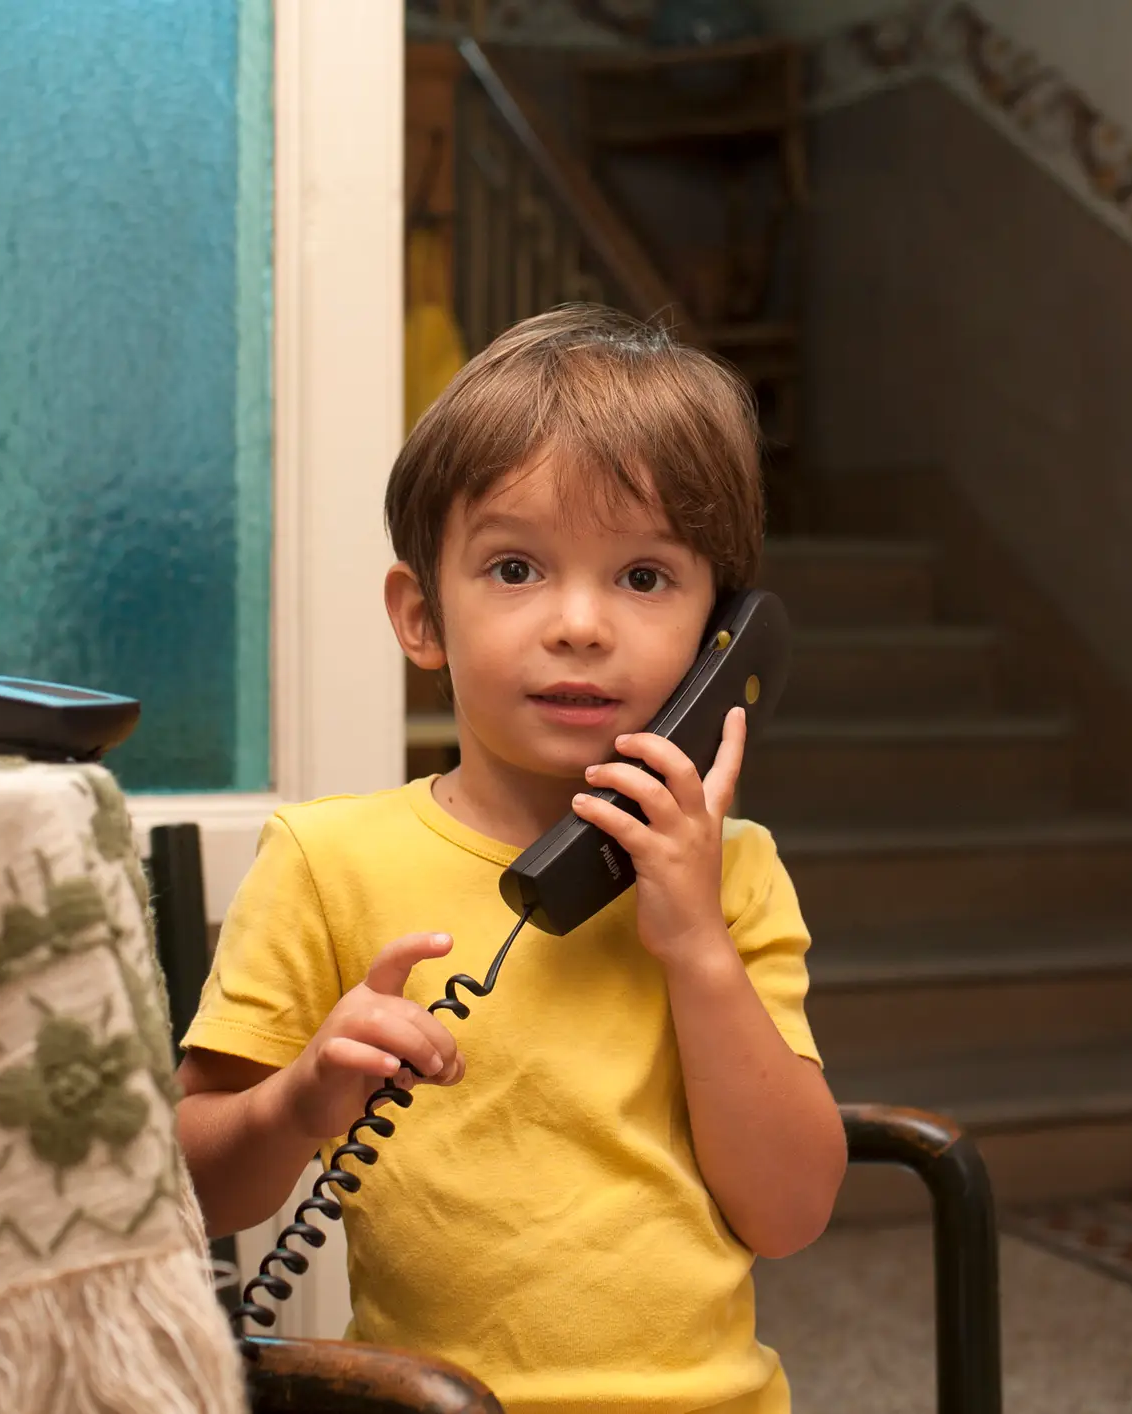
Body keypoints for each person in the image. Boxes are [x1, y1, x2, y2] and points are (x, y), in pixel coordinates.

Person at [173, 304, 846, 1414]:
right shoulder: (327, 858)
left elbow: (790, 1211)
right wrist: (297, 1105)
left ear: (719, 643)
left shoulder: (736, 873)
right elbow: (188, 1186)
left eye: (643, 578)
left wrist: (696, 946)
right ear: (421, 615)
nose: (580, 623)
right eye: (517, 567)